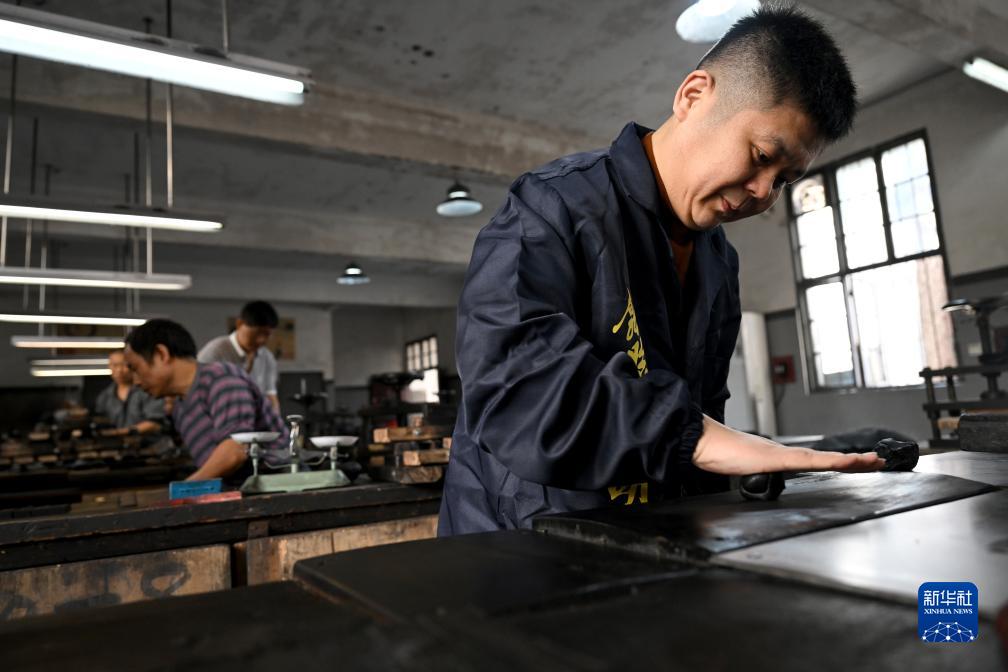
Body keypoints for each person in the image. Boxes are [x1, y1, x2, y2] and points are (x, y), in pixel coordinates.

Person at [439, 5, 885, 535]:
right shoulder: (552, 208)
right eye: (763, 155)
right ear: (693, 96)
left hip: (644, 542)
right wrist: (691, 437)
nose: (764, 192)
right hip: (517, 544)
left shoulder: (718, 261)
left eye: (785, 180)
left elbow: (703, 412)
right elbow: (518, 393)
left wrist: (766, 468)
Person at [123, 319, 288, 482]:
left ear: (161, 354)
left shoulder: (221, 379)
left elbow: (235, 451)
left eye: (135, 368)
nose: (135, 381)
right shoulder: (180, 404)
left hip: (279, 486)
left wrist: (184, 489)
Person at [198, 300, 281, 410]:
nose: (261, 340)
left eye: (267, 334)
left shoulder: (267, 357)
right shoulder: (214, 352)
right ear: (239, 324)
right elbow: (198, 396)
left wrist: (275, 419)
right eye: (257, 333)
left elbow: (270, 396)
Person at [92, 349, 165, 437]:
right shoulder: (105, 396)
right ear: (109, 366)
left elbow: (156, 423)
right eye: (114, 365)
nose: (119, 370)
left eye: (124, 365)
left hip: (149, 443)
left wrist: (121, 432)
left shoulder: (147, 391)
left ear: (132, 366)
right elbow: (100, 420)